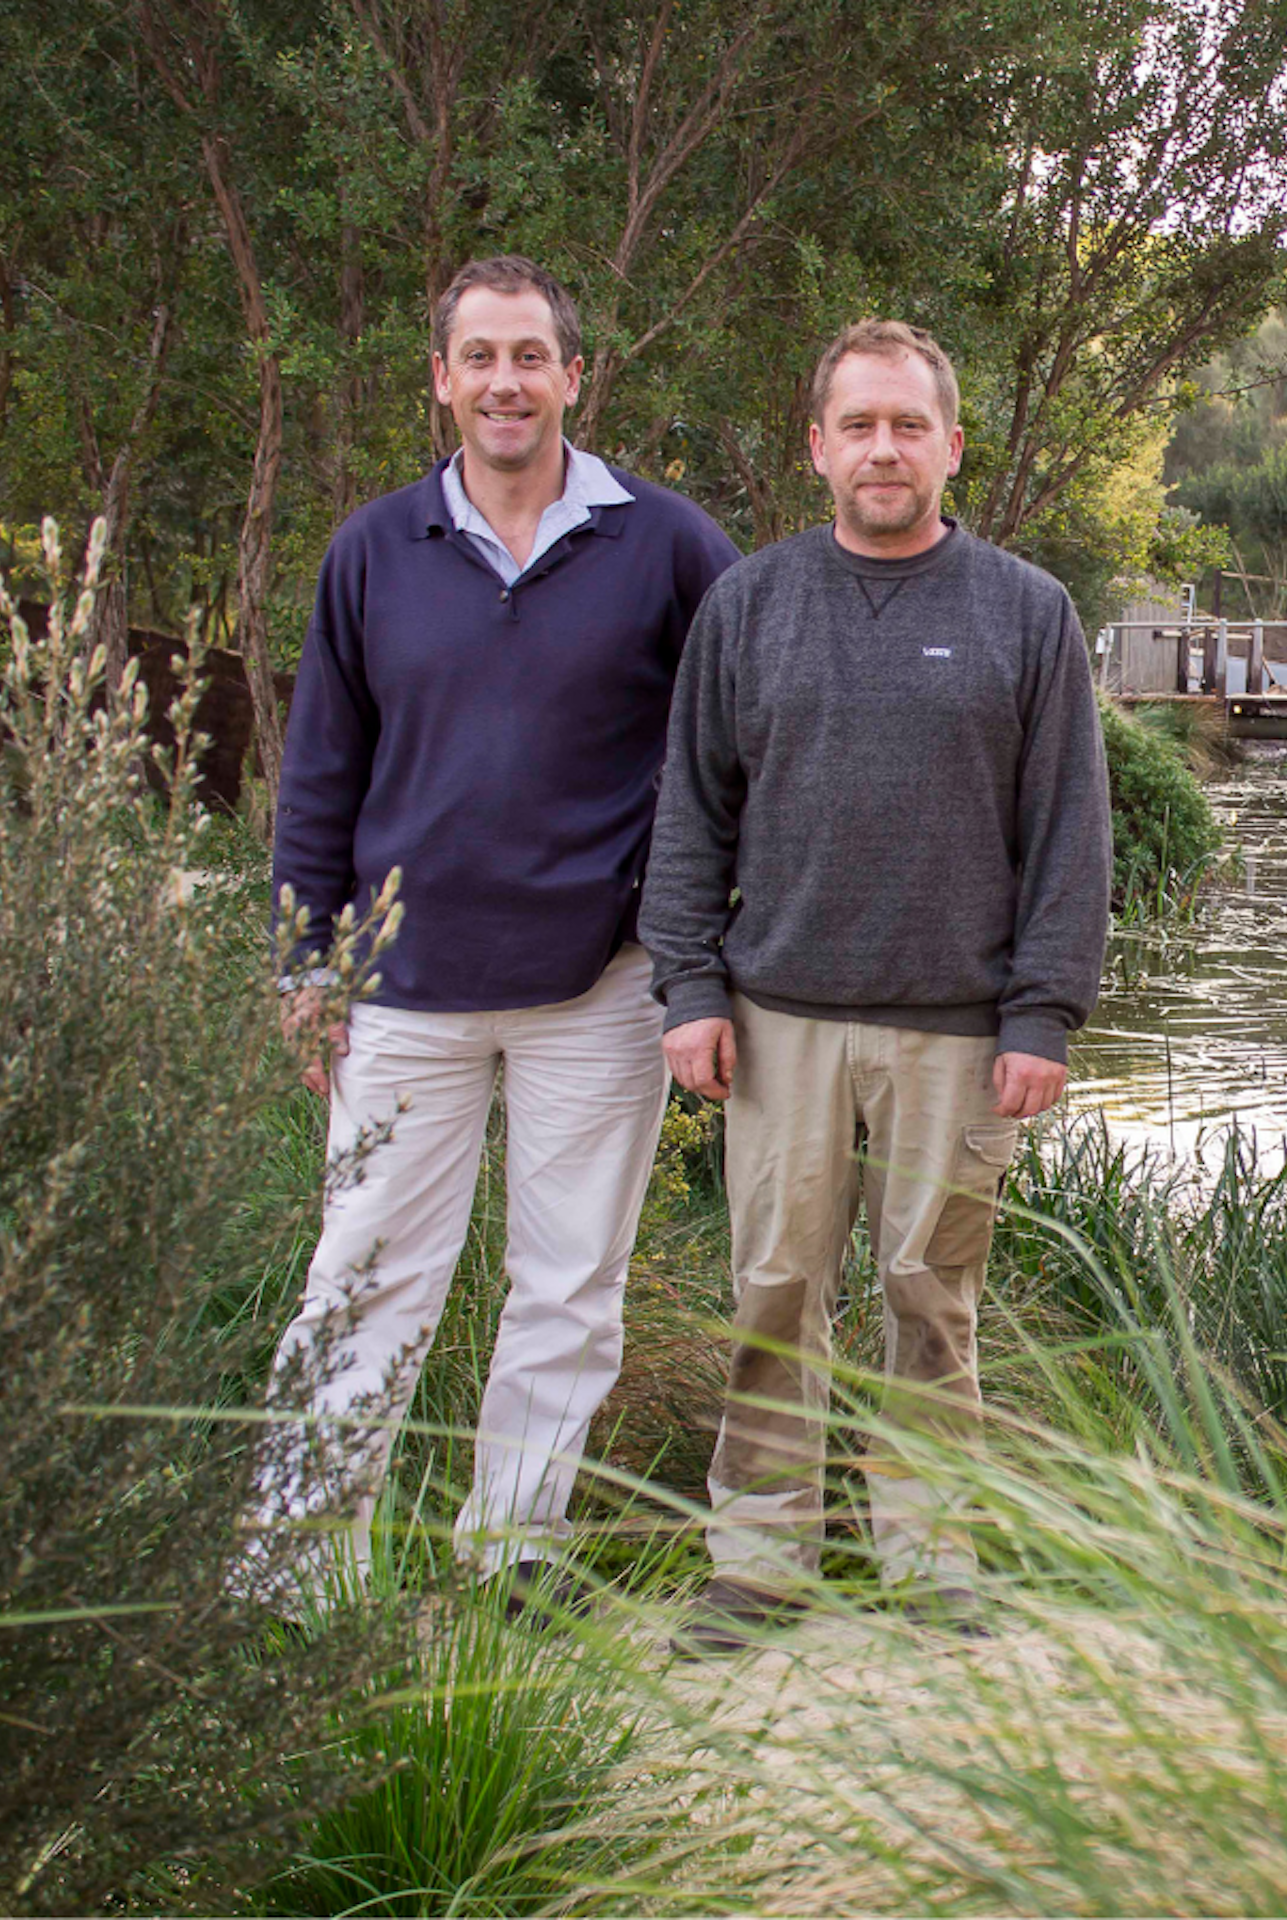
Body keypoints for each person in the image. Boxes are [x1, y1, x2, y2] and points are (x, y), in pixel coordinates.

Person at [263, 255, 738, 1610]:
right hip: (400, 993)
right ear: (442, 380)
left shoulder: (668, 543)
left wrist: (694, 939)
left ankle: (513, 1557)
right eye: (479, 356)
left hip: (598, 985)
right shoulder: (373, 551)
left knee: (569, 1287)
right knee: (360, 1283)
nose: (505, 381)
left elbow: (739, 734)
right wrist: (309, 962)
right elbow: (318, 776)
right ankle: (298, 1579)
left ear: (573, 376)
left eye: (530, 355)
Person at [638, 318, 1111, 1649]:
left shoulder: (1027, 612)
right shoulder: (750, 605)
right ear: (818, 448)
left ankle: (927, 1555)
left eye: (910, 426)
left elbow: (1071, 832)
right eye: (860, 425)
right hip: (777, 1017)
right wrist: (687, 991)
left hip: (958, 1031)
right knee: (775, 1289)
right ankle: (758, 1561)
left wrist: (1043, 1013)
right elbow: (691, 816)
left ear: (954, 445)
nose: (885, 449)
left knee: (931, 1295)